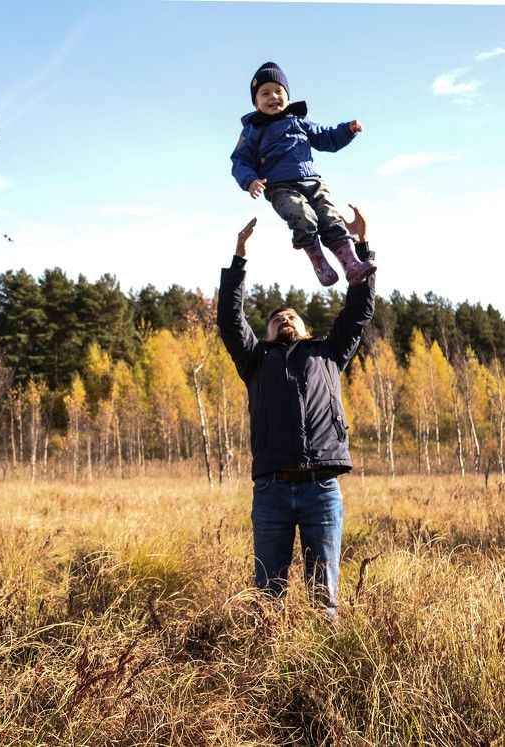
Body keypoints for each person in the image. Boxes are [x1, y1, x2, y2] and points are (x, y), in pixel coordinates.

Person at [216, 207, 376, 620]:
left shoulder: (328, 352)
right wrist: (239, 258)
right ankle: (266, 676)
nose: (283, 317)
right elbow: (231, 322)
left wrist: (360, 245)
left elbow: (358, 311)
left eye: (290, 315)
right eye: (274, 318)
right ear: (266, 333)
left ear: (304, 328)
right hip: (270, 491)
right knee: (268, 599)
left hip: (321, 489)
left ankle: (324, 677)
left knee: (325, 601)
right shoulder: (254, 360)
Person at [230, 61, 377, 288]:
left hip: (312, 181)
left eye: (278, 91)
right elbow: (239, 160)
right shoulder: (253, 129)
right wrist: (250, 181)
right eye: (265, 93)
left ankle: (351, 264)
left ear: (287, 96)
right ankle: (319, 262)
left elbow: (324, 136)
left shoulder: (299, 119)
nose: (273, 97)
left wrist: (346, 131)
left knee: (331, 219)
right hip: (281, 187)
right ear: (255, 102)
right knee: (302, 214)